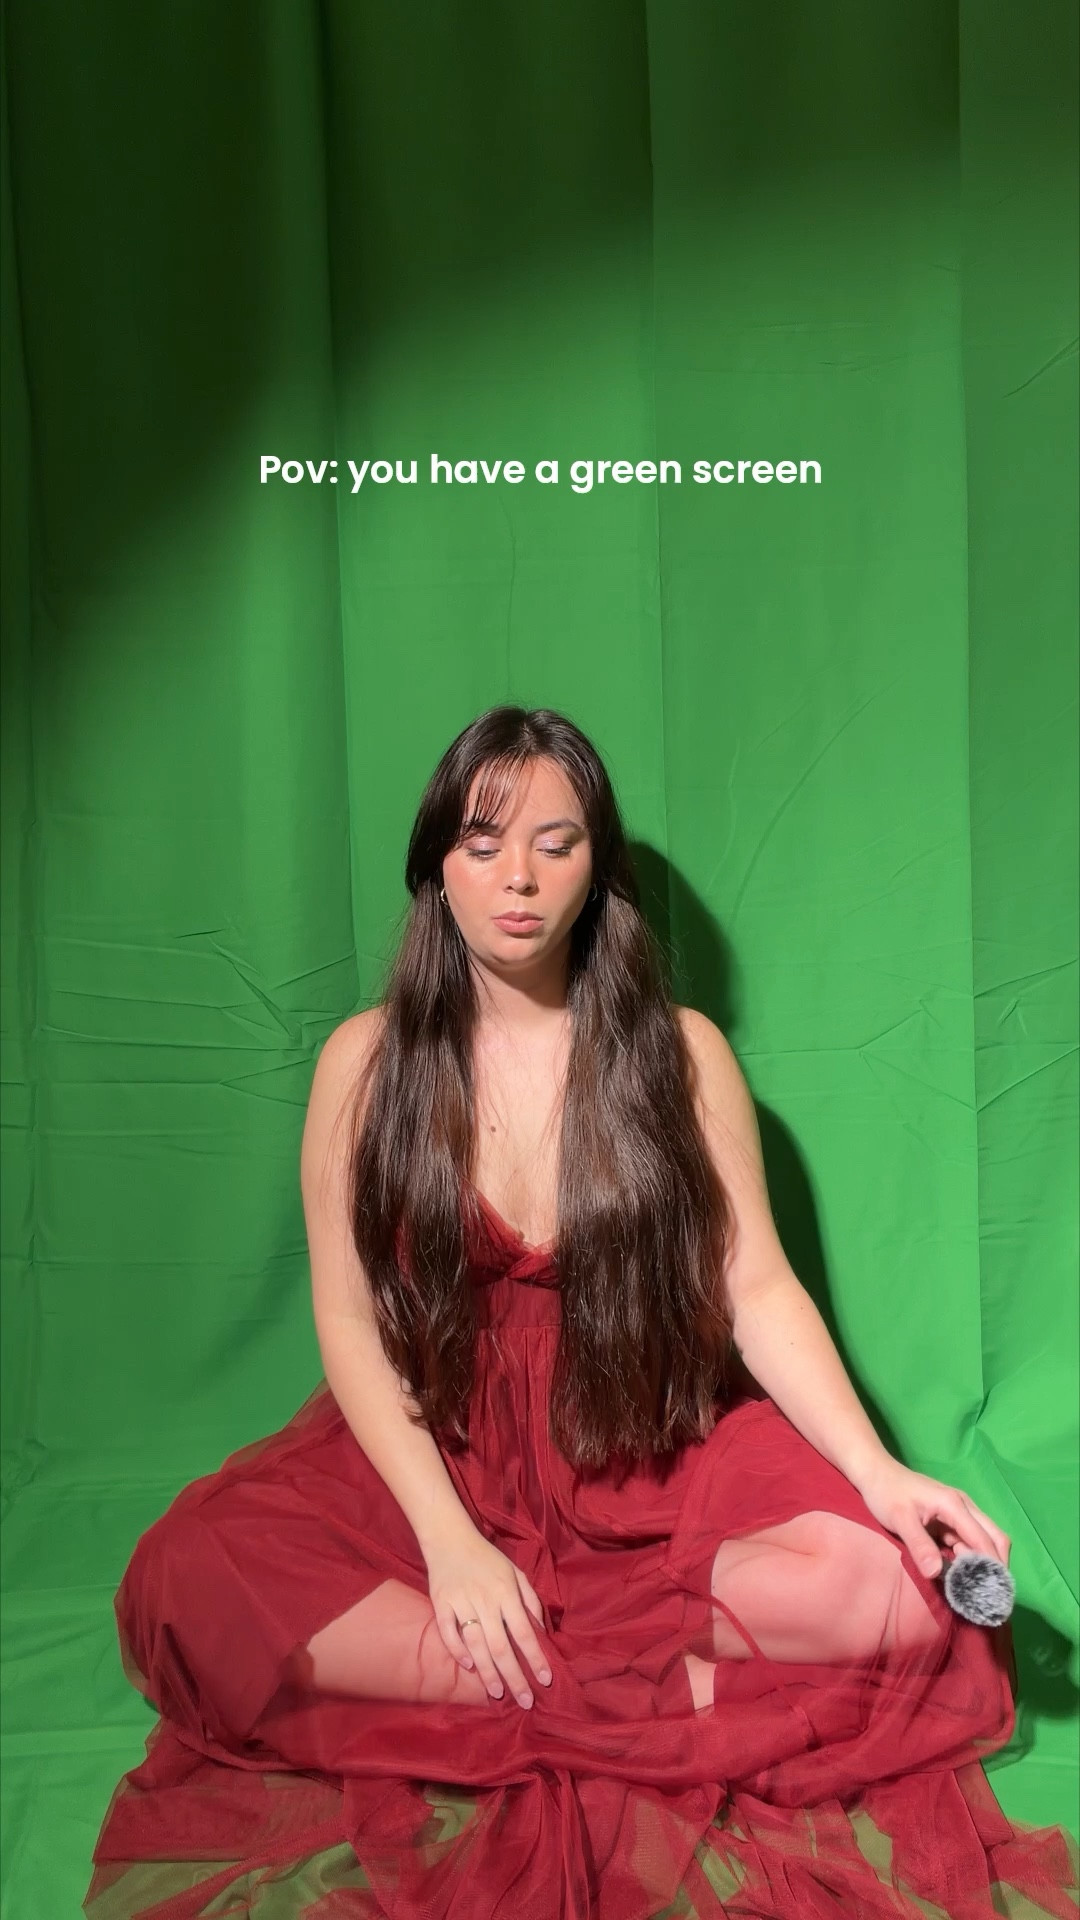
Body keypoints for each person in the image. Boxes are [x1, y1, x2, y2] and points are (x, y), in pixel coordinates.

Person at [86, 707, 1077, 1919]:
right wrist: (450, 1547)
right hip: (444, 1445)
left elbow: (757, 1286)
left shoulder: (682, 1053)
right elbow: (348, 1324)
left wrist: (881, 1475)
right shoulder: (364, 1062)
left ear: (596, 868)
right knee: (189, 1578)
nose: (518, 876)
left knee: (904, 1593)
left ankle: (526, 1685)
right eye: (483, 842)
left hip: (644, 1445)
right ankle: (637, 1695)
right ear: (435, 866)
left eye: (554, 845)